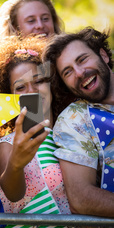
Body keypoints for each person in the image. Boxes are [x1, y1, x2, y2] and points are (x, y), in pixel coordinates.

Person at [0, 36, 71, 216]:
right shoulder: (6, 146)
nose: (32, 91)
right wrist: (16, 164)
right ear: (9, 96)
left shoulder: (72, 130)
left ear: (52, 82)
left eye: (39, 81)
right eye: (20, 87)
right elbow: (13, 195)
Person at [42, 27, 114, 217]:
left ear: (103, 55)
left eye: (82, 59)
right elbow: (81, 199)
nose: (80, 72)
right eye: (68, 72)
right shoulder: (74, 119)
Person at [0, 0, 64, 46]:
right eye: (31, 21)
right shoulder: (21, 66)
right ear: (16, 28)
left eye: (45, 18)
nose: (40, 25)